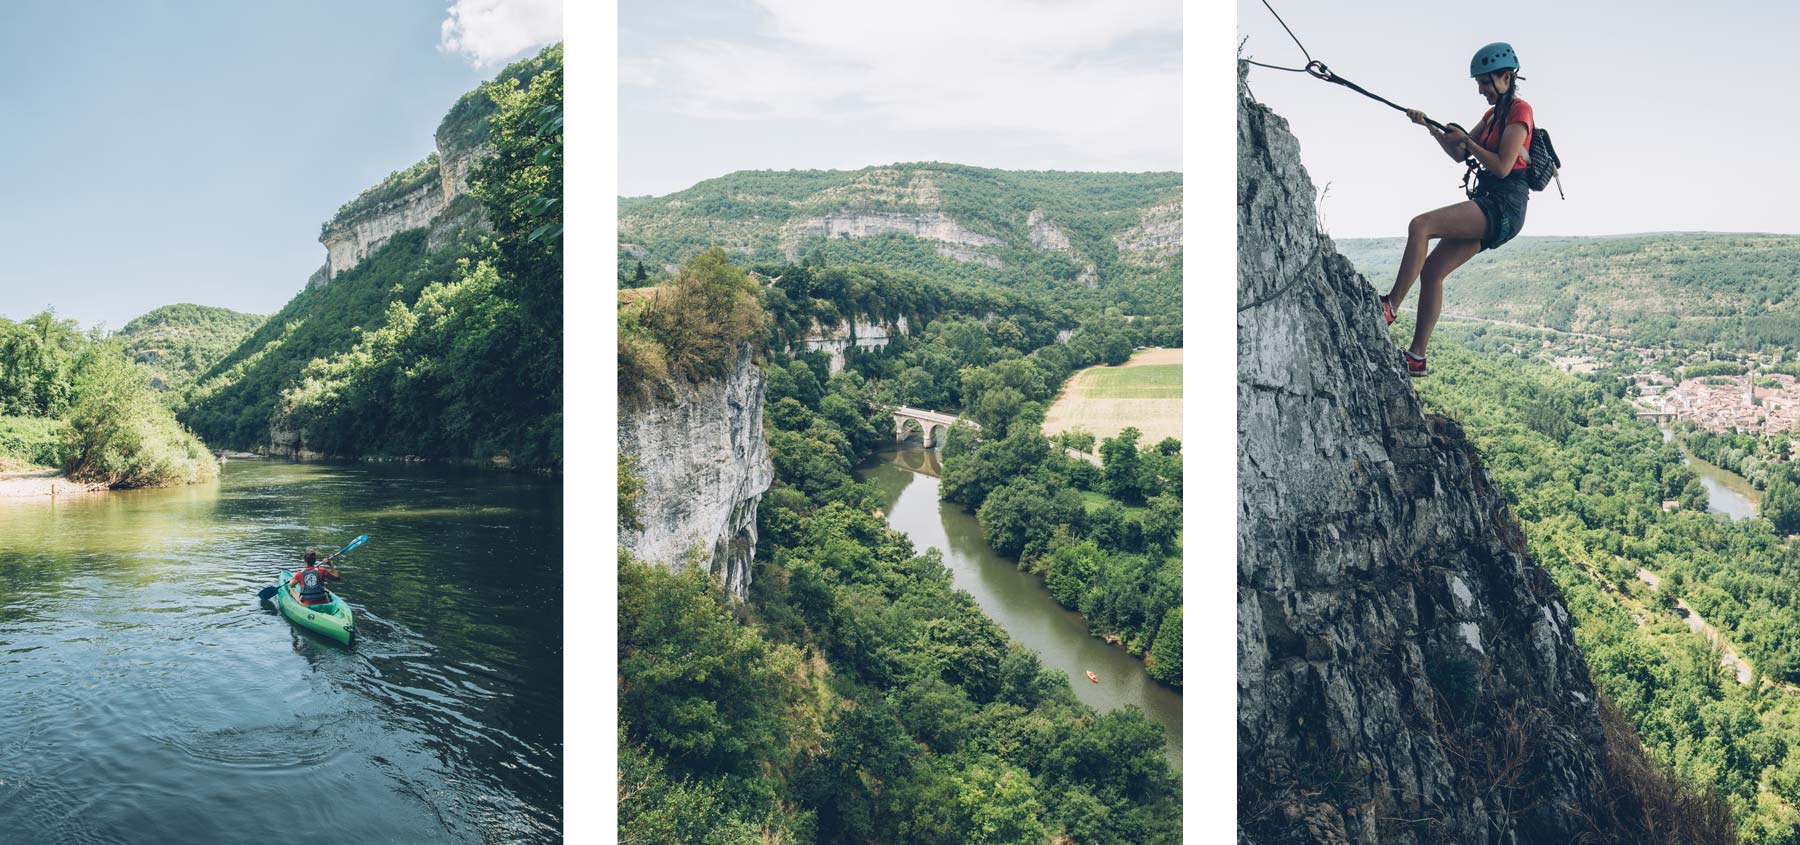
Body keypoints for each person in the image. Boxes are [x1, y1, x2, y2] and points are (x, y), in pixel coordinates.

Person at [1378, 42, 1534, 377]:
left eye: (1486, 82)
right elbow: (1460, 154)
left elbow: (1503, 166)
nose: (1481, 89)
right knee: (1432, 272)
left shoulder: (1520, 112)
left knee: (1421, 225)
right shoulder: (1493, 116)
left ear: (1506, 77)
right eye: (1478, 82)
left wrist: (1468, 140)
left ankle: (1390, 307)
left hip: (1503, 205)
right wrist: (1430, 129)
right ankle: (1416, 358)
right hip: (1494, 206)